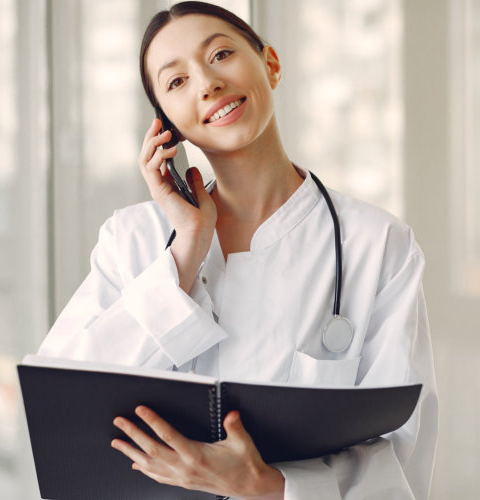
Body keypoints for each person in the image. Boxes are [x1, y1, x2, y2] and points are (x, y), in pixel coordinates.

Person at [35, 2, 437, 498]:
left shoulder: (377, 245)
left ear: (270, 64)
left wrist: (270, 486)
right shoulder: (132, 240)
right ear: (167, 124)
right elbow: (61, 403)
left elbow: (404, 450)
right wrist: (184, 256)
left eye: (220, 54)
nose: (206, 83)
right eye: (176, 82)